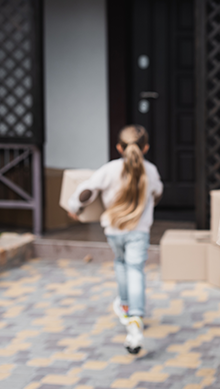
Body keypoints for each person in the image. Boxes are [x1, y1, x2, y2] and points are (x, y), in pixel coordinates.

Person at [68, 125, 163, 355]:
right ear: (146, 148)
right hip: (139, 231)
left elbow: (86, 191)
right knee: (135, 270)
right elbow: (158, 193)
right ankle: (136, 320)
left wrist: (75, 208)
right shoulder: (150, 170)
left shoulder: (109, 169)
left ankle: (125, 305)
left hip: (114, 231)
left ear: (119, 147)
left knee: (121, 264)